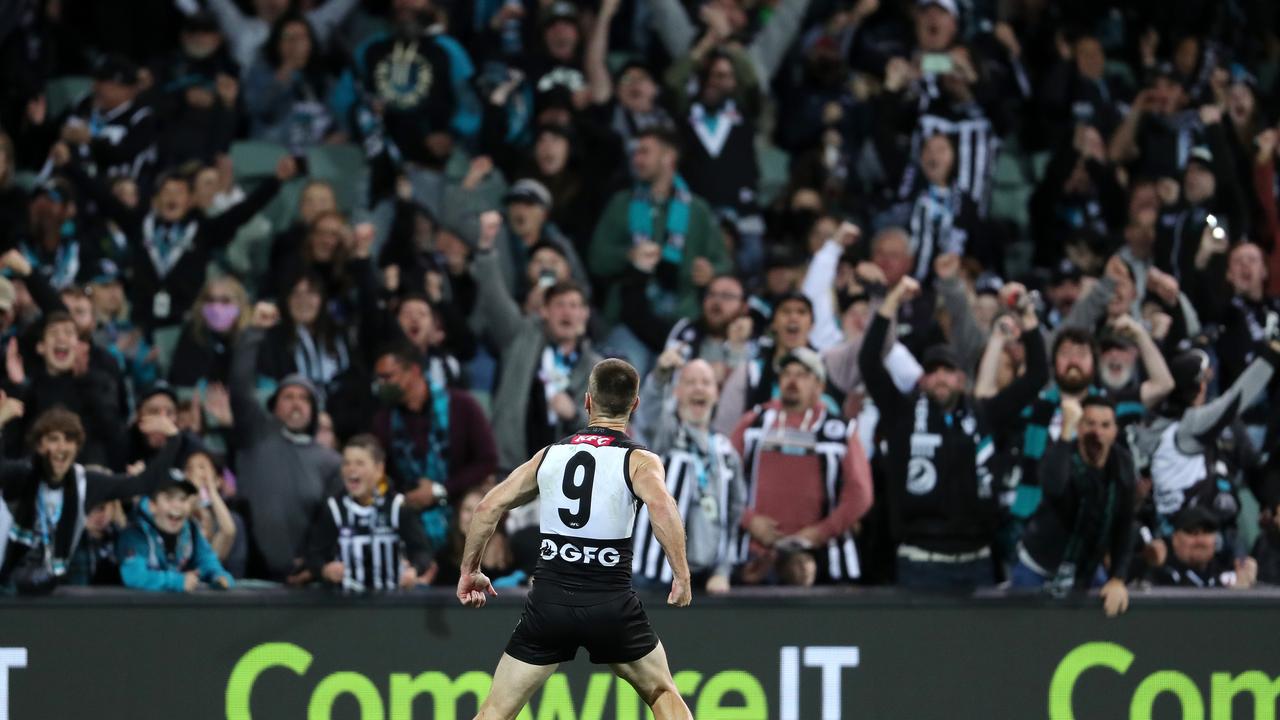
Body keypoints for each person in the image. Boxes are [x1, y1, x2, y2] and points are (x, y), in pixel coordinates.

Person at [456, 359, 693, 720]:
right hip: (610, 603)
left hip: (549, 604)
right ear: (635, 404)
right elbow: (662, 506)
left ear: (587, 401)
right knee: (662, 691)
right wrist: (681, 574)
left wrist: (470, 569)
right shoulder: (638, 460)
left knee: (496, 711)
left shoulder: (550, 456)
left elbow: (488, 507)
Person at [861, 277, 1048, 589]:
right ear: (922, 380)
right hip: (920, 561)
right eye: (932, 372)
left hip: (977, 560)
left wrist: (1026, 315)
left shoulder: (984, 413)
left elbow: (1037, 375)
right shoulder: (901, 415)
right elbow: (869, 362)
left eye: (947, 371)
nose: (940, 379)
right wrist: (891, 301)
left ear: (962, 379)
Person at [0, 405, 181, 592]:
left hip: (49, 581)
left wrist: (173, 437)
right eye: (53, 439)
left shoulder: (85, 483)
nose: (61, 447)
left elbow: (143, 484)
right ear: (39, 445)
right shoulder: (22, 474)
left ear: (77, 446)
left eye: (69, 439)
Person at [732, 348, 871, 586]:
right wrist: (749, 520)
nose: (792, 380)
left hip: (821, 558)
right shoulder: (754, 422)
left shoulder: (839, 431)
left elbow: (860, 495)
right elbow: (723, 479)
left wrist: (821, 532)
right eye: (787, 373)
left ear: (820, 386)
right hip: (755, 554)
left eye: (803, 374)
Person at [229, 306, 341, 581]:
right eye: (287, 396)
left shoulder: (330, 461)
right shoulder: (257, 433)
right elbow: (240, 386)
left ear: (314, 410)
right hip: (248, 572)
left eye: (304, 398)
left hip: (303, 578)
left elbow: (332, 522)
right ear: (274, 406)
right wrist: (254, 333)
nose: (295, 403)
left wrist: (314, 564)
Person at [632, 354, 746, 593]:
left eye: (706, 382)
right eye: (690, 382)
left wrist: (722, 571)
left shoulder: (726, 452)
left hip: (705, 579)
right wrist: (661, 375)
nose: (698, 388)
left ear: (716, 393)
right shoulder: (665, 436)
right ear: (677, 392)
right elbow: (650, 415)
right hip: (654, 575)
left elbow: (735, 516)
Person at [1013, 396, 1134, 617]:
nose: (1097, 432)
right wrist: (1065, 431)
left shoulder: (1122, 464)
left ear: (1115, 430)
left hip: (1085, 572)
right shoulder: (1061, 454)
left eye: (1105, 425)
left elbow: (1125, 525)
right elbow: (1054, 488)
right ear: (1078, 427)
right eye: (1089, 423)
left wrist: (1117, 578)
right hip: (1039, 569)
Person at [304, 435, 435, 592]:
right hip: (346, 607)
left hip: (391, 605)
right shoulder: (334, 509)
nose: (351, 469)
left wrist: (414, 570)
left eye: (360, 463)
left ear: (379, 469)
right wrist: (325, 570)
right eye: (346, 463)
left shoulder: (397, 507)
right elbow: (313, 555)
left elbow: (422, 551)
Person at [117, 470, 235, 592]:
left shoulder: (191, 529)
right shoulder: (135, 532)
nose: (177, 505)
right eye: (169, 498)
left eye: (183, 499)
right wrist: (178, 581)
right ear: (153, 505)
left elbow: (207, 562)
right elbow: (135, 576)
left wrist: (220, 577)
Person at [1151, 506, 1257, 589]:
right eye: (1193, 533)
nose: (1201, 540)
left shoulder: (1226, 570)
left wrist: (1244, 590)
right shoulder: (1162, 574)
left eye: (1207, 532)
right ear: (1175, 539)